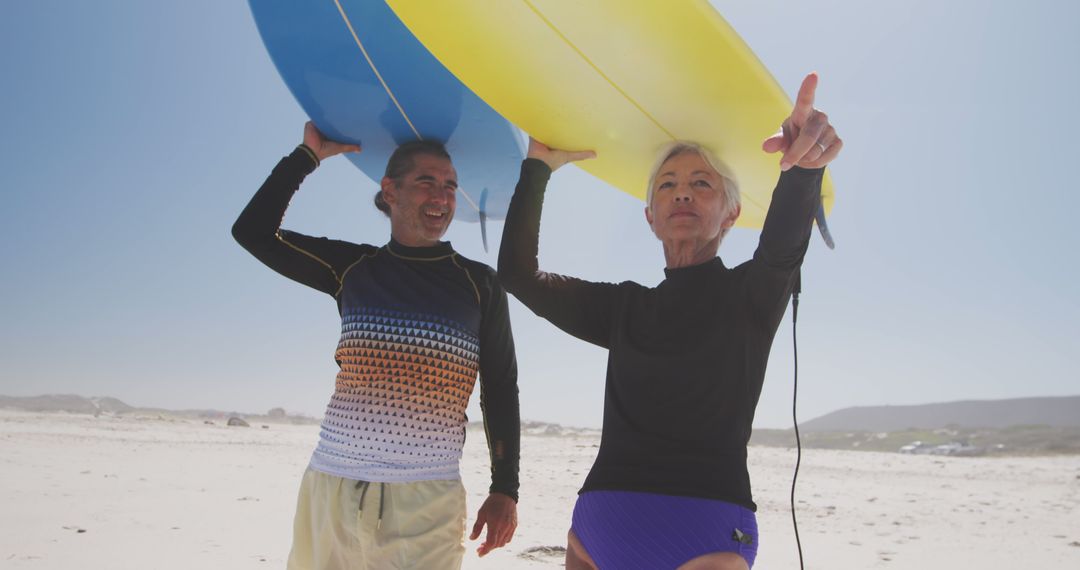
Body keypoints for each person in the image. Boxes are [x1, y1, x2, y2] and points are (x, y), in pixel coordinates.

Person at [497, 73, 841, 569]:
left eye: (702, 184)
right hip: (599, 525)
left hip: (703, 534)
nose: (683, 193)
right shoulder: (624, 308)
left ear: (731, 213)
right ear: (651, 216)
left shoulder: (752, 295)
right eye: (668, 185)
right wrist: (537, 167)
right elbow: (518, 276)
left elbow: (783, 247)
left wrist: (804, 170)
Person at [232, 122, 520, 569]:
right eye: (427, 182)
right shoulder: (352, 267)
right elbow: (252, 232)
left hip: (426, 498)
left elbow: (499, 387)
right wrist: (305, 158)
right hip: (333, 486)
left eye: (450, 186)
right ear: (390, 190)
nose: (442, 198)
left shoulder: (479, 284)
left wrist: (505, 488)